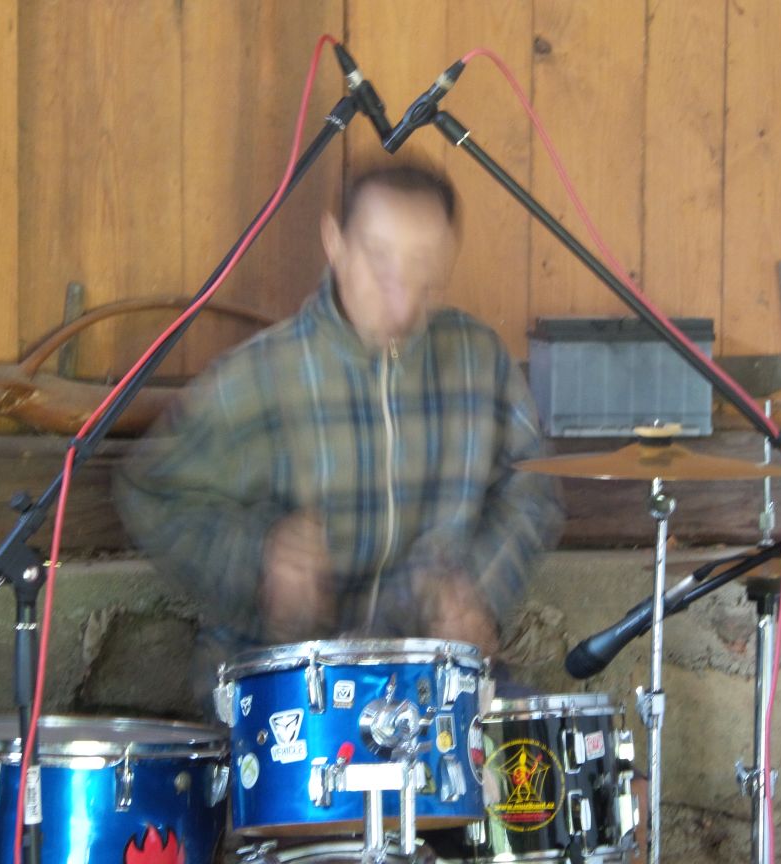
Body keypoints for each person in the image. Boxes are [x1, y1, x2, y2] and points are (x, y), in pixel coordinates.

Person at [114, 163, 564, 712]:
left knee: (559, 756)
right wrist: (259, 559)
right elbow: (152, 494)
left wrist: (477, 592)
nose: (402, 301)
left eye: (424, 270)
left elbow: (531, 489)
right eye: (380, 261)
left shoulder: (478, 361)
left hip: (433, 685)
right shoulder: (258, 377)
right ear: (335, 242)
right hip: (282, 696)